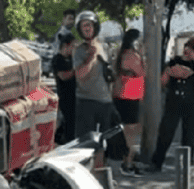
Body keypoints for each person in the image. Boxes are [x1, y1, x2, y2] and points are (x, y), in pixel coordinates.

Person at [149, 39, 194, 172]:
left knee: (189, 134)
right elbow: (163, 81)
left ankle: (187, 164)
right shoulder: (174, 61)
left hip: (192, 103)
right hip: (173, 101)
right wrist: (170, 72)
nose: (188, 52)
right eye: (187, 49)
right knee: (166, 132)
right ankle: (157, 162)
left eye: (192, 50)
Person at [73, 10, 122, 168]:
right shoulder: (79, 50)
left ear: (96, 26)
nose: (87, 28)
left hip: (105, 101)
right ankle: (87, 174)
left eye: (89, 25)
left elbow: (110, 73)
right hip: (87, 101)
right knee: (87, 143)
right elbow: (80, 75)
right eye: (83, 26)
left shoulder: (104, 47)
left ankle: (100, 174)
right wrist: (90, 57)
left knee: (102, 142)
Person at [113, 28, 145, 176]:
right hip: (130, 95)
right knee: (132, 133)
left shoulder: (122, 53)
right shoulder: (132, 55)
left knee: (127, 131)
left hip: (124, 94)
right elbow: (141, 72)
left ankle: (127, 161)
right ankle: (128, 164)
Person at [52, 33, 76, 144]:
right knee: (68, 123)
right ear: (66, 45)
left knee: (71, 123)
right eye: (73, 46)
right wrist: (76, 70)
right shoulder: (57, 59)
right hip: (65, 97)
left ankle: (60, 139)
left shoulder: (71, 59)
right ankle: (64, 142)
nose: (74, 49)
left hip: (75, 96)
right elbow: (63, 76)